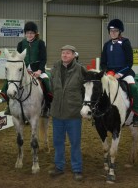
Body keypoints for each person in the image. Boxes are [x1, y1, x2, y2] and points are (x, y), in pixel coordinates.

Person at [48, 45, 87, 181]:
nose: (65, 55)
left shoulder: (80, 69)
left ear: (74, 55)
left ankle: (77, 169)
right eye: (63, 53)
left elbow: (85, 90)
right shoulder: (55, 68)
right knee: (58, 142)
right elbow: (52, 88)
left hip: (73, 113)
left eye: (68, 53)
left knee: (75, 142)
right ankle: (59, 167)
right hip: (57, 113)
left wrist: (80, 105)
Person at [0, 21, 52, 117]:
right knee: (9, 83)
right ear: (25, 33)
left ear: (35, 33)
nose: (29, 35)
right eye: (27, 33)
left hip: (38, 70)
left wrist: (40, 70)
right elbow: (18, 59)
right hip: (24, 71)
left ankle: (47, 106)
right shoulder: (21, 44)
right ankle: (9, 105)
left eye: (32, 33)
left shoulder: (40, 43)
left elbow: (43, 58)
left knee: (46, 81)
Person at [100, 18, 138, 127]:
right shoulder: (107, 45)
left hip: (125, 72)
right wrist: (107, 72)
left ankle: (136, 115)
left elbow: (129, 62)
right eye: (111, 31)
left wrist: (120, 74)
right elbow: (103, 62)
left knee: (133, 88)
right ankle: (99, 112)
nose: (113, 33)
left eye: (115, 31)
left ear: (120, 32)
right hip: (110, 73)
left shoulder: (125, 43)